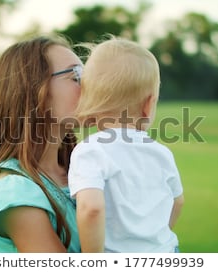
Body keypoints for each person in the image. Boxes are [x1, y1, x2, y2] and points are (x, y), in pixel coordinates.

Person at [68, 36, 184, 253]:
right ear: (148, 106)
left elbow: (91, 208)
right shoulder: (161, 153)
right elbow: (177, 202)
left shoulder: (89, 150)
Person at [0, 35, 83, 253]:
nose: (92, 85)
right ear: (35, 91)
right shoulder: (13, 192)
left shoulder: (81, 169)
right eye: (76, 75)